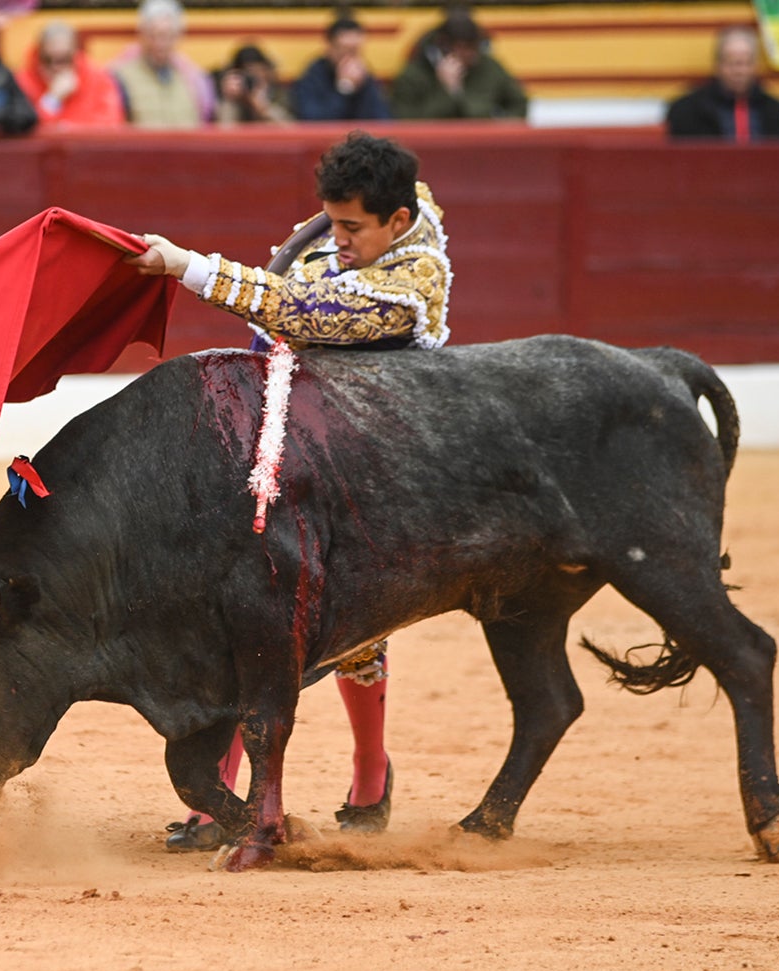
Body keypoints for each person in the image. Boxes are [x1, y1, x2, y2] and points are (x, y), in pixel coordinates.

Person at [126, 131, 452, 851]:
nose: (335, 239)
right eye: (330, 221)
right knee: (242, 614)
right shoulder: (366, 223)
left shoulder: (410, 281)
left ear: (396, 223)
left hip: (362, 468)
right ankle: (220, 793)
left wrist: (184, 266)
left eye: (352, 227)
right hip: (275, 444)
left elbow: (297, 314)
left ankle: (370, 767)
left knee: (354, 630)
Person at [390, 9, 527, 120]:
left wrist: (504, 124)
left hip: (483, 144)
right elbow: (405, 122)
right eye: (463, 48)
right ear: (444, 46)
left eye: (474, 47)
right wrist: (446, 91)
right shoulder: (413, 75)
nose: (470, 54)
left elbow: (519, 104)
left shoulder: (490, 67)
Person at [665, 26, 779, 142]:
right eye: (732, 63)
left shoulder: (774, 110)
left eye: (746, 63)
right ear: (717, 65)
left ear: (756, 66)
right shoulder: (686, 110)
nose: (739, 71)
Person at [109, 0, 215, 127]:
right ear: (142, 35)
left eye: (167, 36)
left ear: (177, 37)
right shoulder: (119, 77)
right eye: (154, 35)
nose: (160, 44)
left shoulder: (194, 79)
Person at [15, 20, 125, 128]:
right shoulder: (23, 83)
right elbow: (27, 132)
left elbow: (111, 124)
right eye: (48, 59)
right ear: (39, 55)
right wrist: (52, 99)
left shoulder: (98, 80)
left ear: (75, 54)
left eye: (63, 60)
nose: (55, 67)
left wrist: (70, 131)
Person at [290, 14, 391, 122]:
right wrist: (345, 88)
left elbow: (382, 120)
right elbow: (313, 120)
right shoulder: (313, 77)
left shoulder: (365, 77)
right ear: (330, 47)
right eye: (345, 49)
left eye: (355, 50)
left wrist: (362, 88)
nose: (350, 56)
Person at [215, 43, 292, 125]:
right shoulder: (234, 100)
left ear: (267, 71)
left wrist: (263, 107)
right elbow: (224, 131)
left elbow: (291, 128)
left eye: (258, 71)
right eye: (248, 72)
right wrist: (230, 99)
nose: (254, 77)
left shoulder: (278, 93)